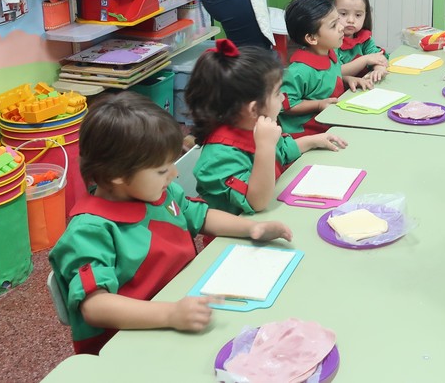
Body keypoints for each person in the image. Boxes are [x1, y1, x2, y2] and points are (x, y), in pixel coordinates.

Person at [49, 92, 293, 355]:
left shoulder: (159, 194)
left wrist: (251, 228)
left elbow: (201, 216)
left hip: (182, 309)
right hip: (131, 344)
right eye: (162, 170)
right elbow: (95, 307)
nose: (174, 174)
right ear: (116, 175)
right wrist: (171, 314)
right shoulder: (89, 231)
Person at [184, 39, 348, 215]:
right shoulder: (219, 158)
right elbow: (257, 202)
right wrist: (265, 147)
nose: (283, 98)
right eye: (277, 93)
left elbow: (282, 152)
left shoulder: (253, 125)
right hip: (238, 228)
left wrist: (313, 141)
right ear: (254, 109)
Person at [280, 0, 372, 136]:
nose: (341, 27)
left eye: (338, 21)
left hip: (331, 122)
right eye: (334, 25)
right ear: (312, 38)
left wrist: (347, 79)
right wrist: (318, 104)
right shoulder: (298, 71)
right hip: (307, 134)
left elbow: (327, 78)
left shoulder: (330, 52)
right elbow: (286, 105)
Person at [325, 0, 388, 82]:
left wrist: (379, 69)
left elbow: (378, 57)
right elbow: (336, 72)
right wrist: (365, 60)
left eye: (358, 15)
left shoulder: (364, 39)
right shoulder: (330, 42)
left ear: (365, 15)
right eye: (343, 14)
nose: (351, 20)